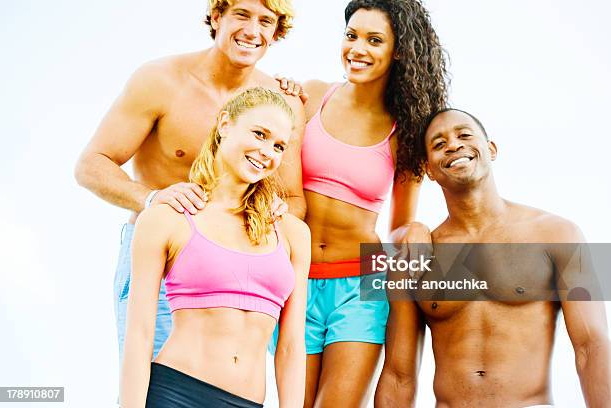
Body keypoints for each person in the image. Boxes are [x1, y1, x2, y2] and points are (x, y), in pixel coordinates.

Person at [74, 0, 306, 363]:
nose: (252, 30)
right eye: (242, 15)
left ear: (276, 32)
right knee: (151, 383)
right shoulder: (160, 81)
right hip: (162, 256)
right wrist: (155, 199)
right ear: (217, 16)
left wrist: (276, 209)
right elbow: (91, 164)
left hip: (235, 260)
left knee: (221, 385)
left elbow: (293, 199)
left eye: (266, 21)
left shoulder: (280, 102)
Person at [271, 0, 448, 406]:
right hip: (294, 278)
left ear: (398, 50)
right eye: (352, 36)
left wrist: (417, 230)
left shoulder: (406, 130)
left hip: (361, 284)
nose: (358, 49)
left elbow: (399, 225)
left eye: (374, 40)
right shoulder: (312, 96)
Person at [376, 108, 611, 407]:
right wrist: (405, 231)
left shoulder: (557, 234)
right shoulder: (415, 253)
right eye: (438, 143)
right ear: (430, 170)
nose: (453, 145)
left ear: (491, 149)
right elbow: (399, 375)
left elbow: (591, 346)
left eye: (464, 135)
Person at [120, 87, 310, 407]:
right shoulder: (166, 219)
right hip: (174, 394)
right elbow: (139, 334)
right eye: (259, 134)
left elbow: (291, 346)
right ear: (224, 124)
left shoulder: (292, 233)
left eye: (278, 145)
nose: (267, 151)